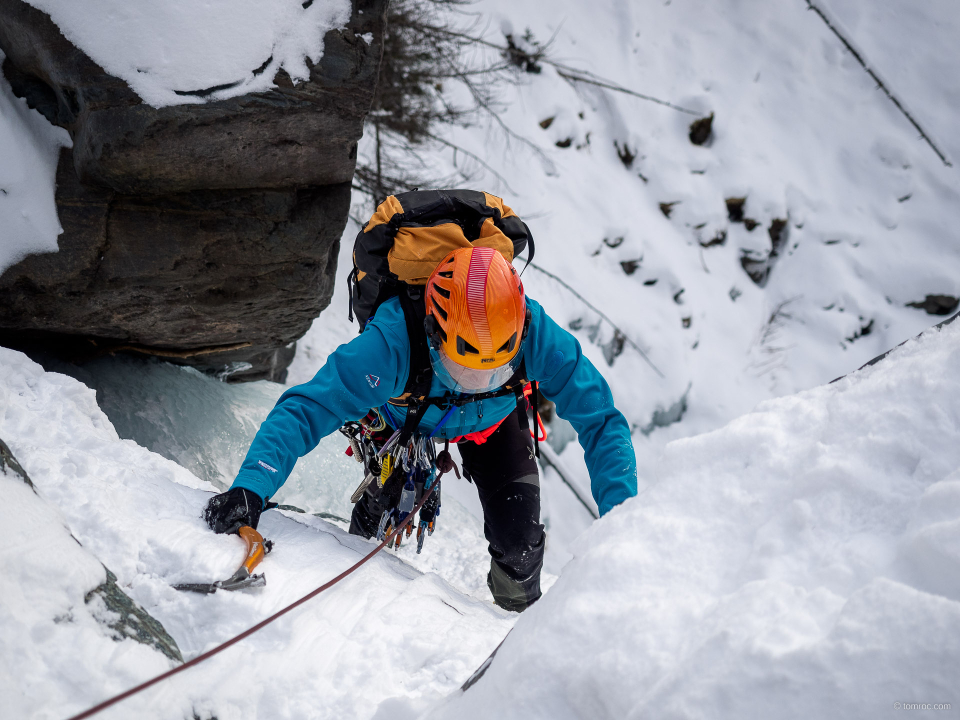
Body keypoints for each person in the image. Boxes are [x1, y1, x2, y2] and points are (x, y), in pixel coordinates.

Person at [204, 199, 638, 613]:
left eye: (493, 372)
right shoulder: (393, 341)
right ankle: (351, 580)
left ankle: (518, 628)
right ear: (434, 331)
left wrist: (624, 527)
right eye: (463, 367)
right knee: (382, 511)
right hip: (402, 419)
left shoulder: (535, 331)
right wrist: (252, 486)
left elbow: (601, 420)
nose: (475, 383)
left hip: (491, 423)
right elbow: (307, 408)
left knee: (520, 546)